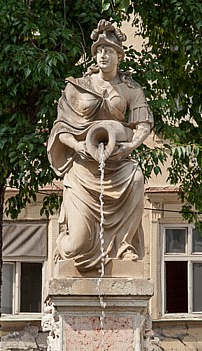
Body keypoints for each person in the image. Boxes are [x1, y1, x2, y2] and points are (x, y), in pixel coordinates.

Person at [47, 20, 153, 272]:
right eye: (99, 51)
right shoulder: (79, 87)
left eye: (108, 51)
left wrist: (129, 147)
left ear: (119, 56)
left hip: (117, 164)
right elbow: (60, 128)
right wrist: (76, 144)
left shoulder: (130, 89)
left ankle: (124, 245)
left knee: (136, 177)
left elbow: (143, 124)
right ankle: (65, 246)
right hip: (84, 169)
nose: (103, 55)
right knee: (78, 244)